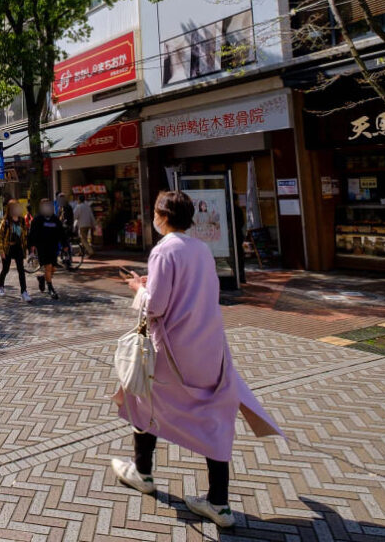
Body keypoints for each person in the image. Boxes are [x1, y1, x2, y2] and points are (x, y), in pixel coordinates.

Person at [111, 191, 283, 528]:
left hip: (173, 349)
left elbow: (157, 306)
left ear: (162, 215)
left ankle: (142, 472)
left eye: (155, 212)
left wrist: (138, 289)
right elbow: (192, 290)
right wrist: (153, 285)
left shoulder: (163, 250)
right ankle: (218, 501)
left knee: (141, 397)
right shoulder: (201, 249)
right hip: (210, 347)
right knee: (214, 416)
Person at [28, 198, 63, 300]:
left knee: (53, 268)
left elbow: (61, 231)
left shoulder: (54, 219)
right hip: (42, 247)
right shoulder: (37, 219)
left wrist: (64, 244)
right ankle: (50, 288)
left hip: (53, 247)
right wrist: (32, 247)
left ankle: (42, 278)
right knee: (48, 267)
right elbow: (32, 234)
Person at [0, 200, 31, 302]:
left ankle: (24, 292)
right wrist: (1, 250)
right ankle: (0, 286)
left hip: (18, 248)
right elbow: (0, 237)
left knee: (21, 270)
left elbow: (25, 235)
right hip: (8, 248)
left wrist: (28, 248)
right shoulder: (5, 221)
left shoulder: (21, 221)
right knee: (5, 269)